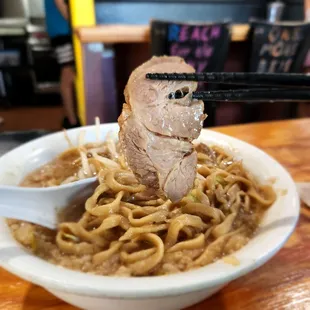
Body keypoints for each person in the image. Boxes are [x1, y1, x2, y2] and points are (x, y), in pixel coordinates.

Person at [44, 0, 80, 128]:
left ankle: (71, 117)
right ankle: (71, 120)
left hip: (61, 32)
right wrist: (79, 22)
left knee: (68, 73)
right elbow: (62, 7)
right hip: (62, 33)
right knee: (68, 73)